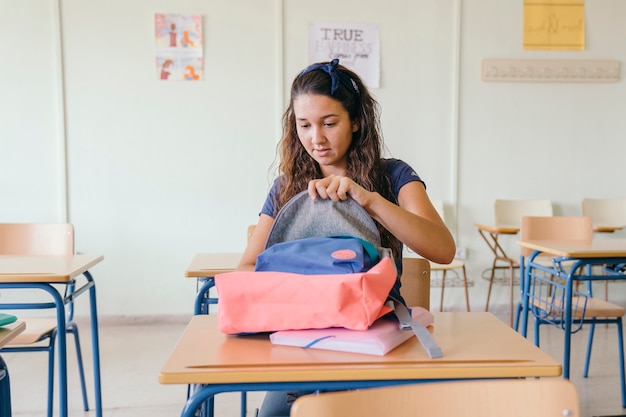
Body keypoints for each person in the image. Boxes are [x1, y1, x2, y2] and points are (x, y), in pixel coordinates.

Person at [237, 58, 456, 417]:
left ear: (356, 122)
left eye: (329, 123)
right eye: (304, 125)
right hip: (302, 333)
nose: (316, 138)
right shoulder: (285, 188)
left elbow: (443, 249)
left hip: (377, 329)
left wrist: (369, 200)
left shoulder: (394, 176)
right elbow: (246, 266)